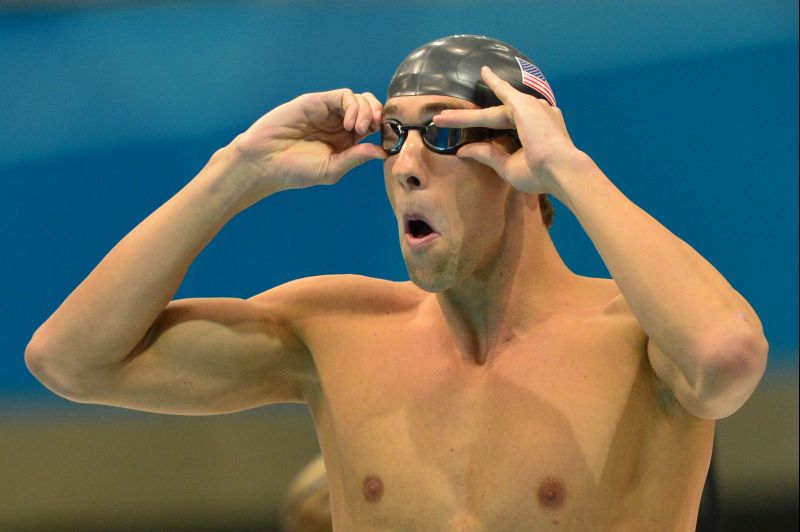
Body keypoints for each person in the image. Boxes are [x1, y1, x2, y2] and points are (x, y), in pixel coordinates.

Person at [25, 35, 767, 530]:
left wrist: (570, 170)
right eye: (392, 137)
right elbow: (70, 360)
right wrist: (236, 170)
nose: (407, 165)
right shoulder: (337, 331)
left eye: (443, 136)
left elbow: (728, 358)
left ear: (521, 161)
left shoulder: (637, 340)